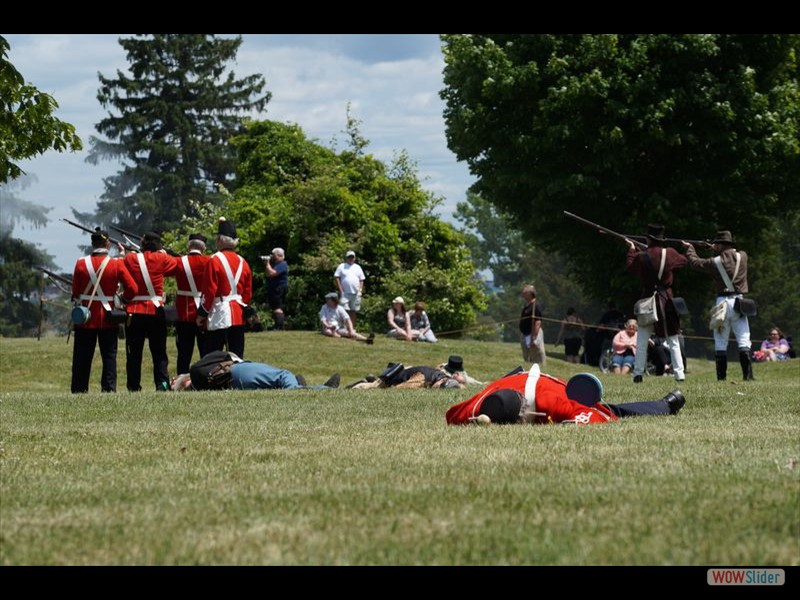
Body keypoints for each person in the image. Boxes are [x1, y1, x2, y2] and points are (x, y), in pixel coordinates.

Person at [446, 365, 686, 426]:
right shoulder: (479, 404)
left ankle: (664, 405)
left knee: (608, 410)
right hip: (519, 380)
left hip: (560, 389)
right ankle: (664, 404)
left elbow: (598, 419)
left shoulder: (552, 403)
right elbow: (452, 416)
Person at [70, 228, 136, 393]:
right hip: (108, 317)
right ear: (107, 244)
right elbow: (132, 289)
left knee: (82, 357)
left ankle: (79, 389)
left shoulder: (81, 263)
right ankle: (108, 389)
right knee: (109, 356)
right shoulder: (116, 263)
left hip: (85, 317)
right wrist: (122, 300)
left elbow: (76, 292)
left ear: (92, 244)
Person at [683, 230, 753, 381]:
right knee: (744, 339)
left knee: (721, 341)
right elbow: (731, 257)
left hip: (722, 303)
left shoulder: (715, 262)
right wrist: (716, 248)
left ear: (720, 245)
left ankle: (721, 378)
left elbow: (695, 263)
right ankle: (747, 376)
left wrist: (690, 249)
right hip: (739, 303)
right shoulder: (743, 256)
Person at [626, 224, 687, 383]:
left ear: (648, 239)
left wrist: (632, 250)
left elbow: (630, 268)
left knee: (642, 341)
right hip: (666, 301)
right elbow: (683, 261)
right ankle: (679, 374)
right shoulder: (670, 253)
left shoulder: (641, 256)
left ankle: (638, 374)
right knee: (673, 339)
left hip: (647, 300)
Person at [122, 231, 180, 391]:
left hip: (134, 310)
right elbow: (176, 265)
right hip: (155, 310)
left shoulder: (131, 258)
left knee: (133, 353)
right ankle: (162, 385)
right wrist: (163, 254)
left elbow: (123, 267)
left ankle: (133, 386)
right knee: (159, 352)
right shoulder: (162, 258)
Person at [196, 218, 253, 359]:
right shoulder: (243, 262)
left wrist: (202, 313)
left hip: (219, 314)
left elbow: (209, 290)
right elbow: (247, 293)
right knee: (237, 357)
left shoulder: (213, 260)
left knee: (212, 357)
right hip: (238, 314)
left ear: (220, 240)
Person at [170, 351, 340, 391]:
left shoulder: (202, 387)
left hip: (235, 383)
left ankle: (302, 385)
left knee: (277, 385)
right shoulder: (196, 370)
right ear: (186, 381)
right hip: (237, 371)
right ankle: (323, 389)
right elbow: (226, 355)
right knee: (283, 375)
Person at [174, 233, 211, 375]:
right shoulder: (209, 261)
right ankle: (207, 379)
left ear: (188, 246)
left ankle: (181, 380)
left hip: (184, 313)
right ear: (204, 248)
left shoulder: (178, 262)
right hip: (204, 312)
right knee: (206, 353)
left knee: (183, 354)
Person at [348, 363, 465, 389]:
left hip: (408, 370)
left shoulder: (446, 378)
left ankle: (370, 379)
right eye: (441, 387)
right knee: (368, 388)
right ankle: (365, 382)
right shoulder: (421, 380)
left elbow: (461, 387)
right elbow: (398, 389)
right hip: (390, 379)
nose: (439, 389)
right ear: (441, 381)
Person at [334, 250, 365, 327]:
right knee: (344, 310)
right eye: (349, 257)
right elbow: (337, 277)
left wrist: (360, 291)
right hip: (345, 293)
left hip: (356, 293)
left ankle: (351, 328)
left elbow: (361, 280)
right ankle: (343, 327)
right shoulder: (342, 266)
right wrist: (341, 290)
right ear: (346, 258)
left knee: (353, 311)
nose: (351, 259)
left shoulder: (358, 267)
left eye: (352, 257)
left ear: (354, 258)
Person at [519, 284, 546, 366]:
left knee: (537, 355)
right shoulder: (527, 306)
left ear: (530, 294)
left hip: (533, 334)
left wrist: (533, 338)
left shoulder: (535, 306)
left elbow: (537, 322)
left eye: (524, 293)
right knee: (527, 357)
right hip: (525, 334)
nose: (523, 295)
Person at [263, 247, 288, 330]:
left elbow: (272, 273)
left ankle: (279, 326)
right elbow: (268, 274)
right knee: (275, 307)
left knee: (277, 307)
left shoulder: (282, 264)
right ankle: (279, 325)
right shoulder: (277, 265)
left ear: (279, 255)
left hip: (278, 288)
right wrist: (267, 265)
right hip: (275, 288)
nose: (272, 257)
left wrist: (267, 264)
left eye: (274, 255)